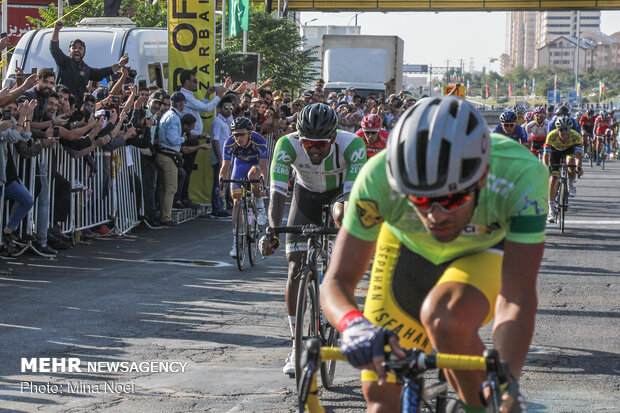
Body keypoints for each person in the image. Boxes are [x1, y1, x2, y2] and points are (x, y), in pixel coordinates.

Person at [321, 96, 546, 413]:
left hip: (482, 249)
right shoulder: (377, 179)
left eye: (451, 199)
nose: (436, 216)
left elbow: (517, 296)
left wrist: (505, 382)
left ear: (481, 177)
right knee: (381, 395)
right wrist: (354, 325)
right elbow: (338, 280)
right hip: (405, 249)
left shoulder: (521, 175)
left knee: (445, 319)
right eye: (421, 201)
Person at [259, 102, 366, 375]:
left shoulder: (352, 145)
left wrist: (348, 233)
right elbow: (278, 193)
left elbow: (351, 200)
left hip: (338, 198)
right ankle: (296, 345)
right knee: (295, 268)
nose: (314, 150)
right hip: (304, 197)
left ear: (333, 138)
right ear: (299, 139)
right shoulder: (287, 145)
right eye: (308, 144)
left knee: (337, 249)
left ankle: (333, 304)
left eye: (321, 144)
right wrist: (272, 229)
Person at [218, 117, 269, 257]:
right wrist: (222, 184)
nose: (238, 138)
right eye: (235, 135)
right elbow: (225, 167)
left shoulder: (259, 141)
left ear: (250, 133)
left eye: (241, 134)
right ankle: (236, 242)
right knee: (236, 201)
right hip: (240, 165)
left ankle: (259, 205)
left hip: (255, 164)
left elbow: (264, 166)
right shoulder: (229, 143)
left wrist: (264, 185)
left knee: (253, 176)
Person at [50, 21, 128, 107]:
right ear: (69, 51)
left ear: (84, 52)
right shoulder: (64, 62)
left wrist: (119, 65)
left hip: (77, 109)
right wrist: (56, 30)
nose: (77, 50)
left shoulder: (86, 68)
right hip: (62, 107)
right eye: (74, 48)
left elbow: (102, 73)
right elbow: (54, 49)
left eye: (80, 48)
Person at [154, 92, 186, 228]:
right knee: (171, 188)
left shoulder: (168, 115)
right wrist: (183, 138)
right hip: (168, 154)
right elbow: (173, 139)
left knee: (163, 187)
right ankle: (165, 217)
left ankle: (162, 214)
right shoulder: (173, 118)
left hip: (162, 153)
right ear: (182, 104)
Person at [544, 116, 583, 222]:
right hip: (555, 152)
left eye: (567, 131)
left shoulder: (576, 136)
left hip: (569, 149)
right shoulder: (551, 136)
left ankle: (571, 184)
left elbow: (578, 154)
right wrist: (545, 168)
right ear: (557, 129)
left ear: (571, 130)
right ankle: (551, 209)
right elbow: (546, 156)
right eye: (562, 131)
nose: (565, 134)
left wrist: (579, 166)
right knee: (553, 179)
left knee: (571, 163)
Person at [210, 97, 235, 218]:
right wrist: (220, 158)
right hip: (220, 158)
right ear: (219, 109)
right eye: (226, 108)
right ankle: (217, 209)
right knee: (218, 183)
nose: (229, 111)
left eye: (231, 108)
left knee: (223, 183)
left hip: (226, 158)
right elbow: (215, 140)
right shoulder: (217, 122)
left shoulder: (227, 122)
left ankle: (221, 207)